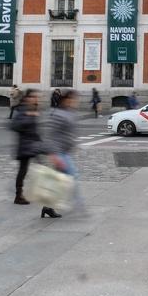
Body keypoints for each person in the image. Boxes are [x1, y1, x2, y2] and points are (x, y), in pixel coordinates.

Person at [43, 90, 87, 218]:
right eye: (73, 99)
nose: (75, 102)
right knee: (73, 177)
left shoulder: (70, 113)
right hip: (59, 153)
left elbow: (70, 132)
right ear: (66, 100)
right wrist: (53, 155)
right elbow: (51, 135)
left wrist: (74, 145)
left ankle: (47, 207)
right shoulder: (58, 114)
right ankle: (78, 204)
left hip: (65, 152)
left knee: (59, 181)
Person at [10, 90, 43, 205]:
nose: (36, 99)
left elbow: (34, 130)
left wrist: (41, 142)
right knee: (23, 170)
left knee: (40, 168)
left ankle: (39, 193)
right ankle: (18, 195)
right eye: (33, 96)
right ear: (27, 98)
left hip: (33, 145)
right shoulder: (23, 109)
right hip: (25, 146)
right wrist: (29, 116)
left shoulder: (32, 109)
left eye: (36, 97)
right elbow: (13, 126)